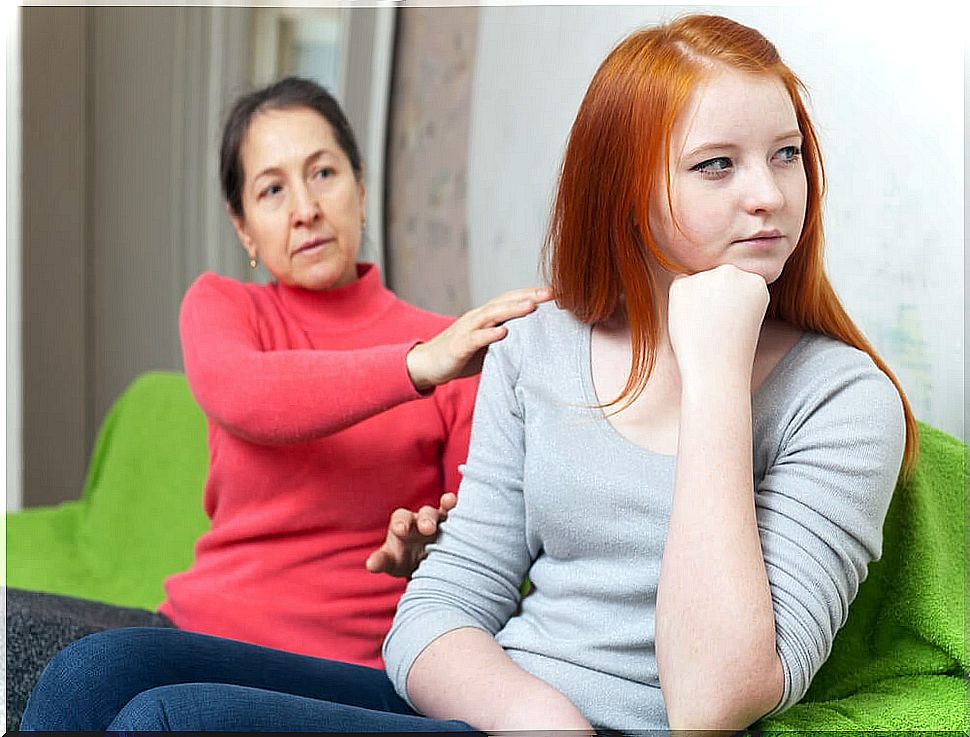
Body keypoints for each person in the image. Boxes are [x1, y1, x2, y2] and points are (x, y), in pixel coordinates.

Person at [21, 14, 916, 733]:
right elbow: (440, 606)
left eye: (787, 153)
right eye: (718, 164)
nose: (768, 193)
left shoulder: (843, 402)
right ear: (626, 191)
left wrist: (718, 368)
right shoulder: (542, 346)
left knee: (167, 719)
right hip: (502, 705)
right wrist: (535, 714)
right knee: (96, 669)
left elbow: (712, 702)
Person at [9, 76, 551, 728]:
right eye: (272, 189)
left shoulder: (460, 353)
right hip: (192, 631)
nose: (305, 207)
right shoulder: (228, 308)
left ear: (360, 186)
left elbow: (481, 546)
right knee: (78, 675)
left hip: (344, 670)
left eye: (323, 173)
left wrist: (426, 553)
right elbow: (246, 395)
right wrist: (415, 363)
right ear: (244, 228)